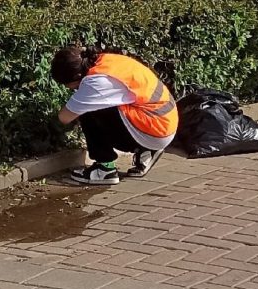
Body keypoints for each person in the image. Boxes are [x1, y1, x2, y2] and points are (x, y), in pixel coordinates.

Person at [51, 44, 177, 186]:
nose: (67, 88)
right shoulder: (105, 61)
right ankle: (146, 151)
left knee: (88, 109)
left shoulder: (96, 83)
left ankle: (105, 169)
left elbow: (64, 117)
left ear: (76, 77)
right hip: (164, 124)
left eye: (66, 84)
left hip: (154, 130)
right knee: (95, 103)